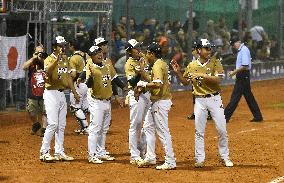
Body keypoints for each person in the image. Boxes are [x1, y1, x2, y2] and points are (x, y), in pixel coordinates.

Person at [171, 38, 233, 168]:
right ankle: (199, 159)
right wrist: (178, 73)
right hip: (199, 100)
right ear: (199, 50)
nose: (209, 50)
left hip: (215, 99)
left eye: (210, 48)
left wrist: (203, 76)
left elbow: (218, 80)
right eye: (207, 48)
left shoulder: (215, 62)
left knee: (222, 129)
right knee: (199, 131)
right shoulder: (192, 65)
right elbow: (185, 82)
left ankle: (225, 157)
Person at [39, 36, 80, 162]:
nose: (63, 47)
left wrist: (74, 92)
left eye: (64, 45)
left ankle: (59, 151)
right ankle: (44, 151)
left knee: (61, 125)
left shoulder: (65, 58)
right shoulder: (49, 59)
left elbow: (68, 77)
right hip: (51, 93)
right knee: (53, 123)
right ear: (54, 47)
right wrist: (56, 61)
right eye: (60, 45)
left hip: (62, 93)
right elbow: (48, 74)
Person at [137, 42, 176, 170]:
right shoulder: (161, 63)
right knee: (148, 127)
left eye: (147, 52)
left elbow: (157, 84)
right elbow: (154, 80)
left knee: (163, 132)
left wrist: (143, 84)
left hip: (160, 102)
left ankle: (170, 161)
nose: (146, 55)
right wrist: (143, 72)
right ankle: (150, 157)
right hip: (158, 101)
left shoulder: (157, 66)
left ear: (152, 54)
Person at [86, 45, 122, 164]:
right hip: (97, 102)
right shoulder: (91, 68)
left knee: (104, 129)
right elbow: (88, 85)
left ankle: (100, 152)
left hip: (107, 101)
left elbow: (114, 80)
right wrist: (91, 76)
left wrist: (124, 88)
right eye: (96, 53)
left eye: (100, 52)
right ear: (92, 56)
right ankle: (92, 155)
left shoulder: (106, 66)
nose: (100, 54)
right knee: (95, 129)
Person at [124, 39, 151, 165]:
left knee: (148, 124)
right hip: (136, 95)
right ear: (129, 51)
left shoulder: (144, 57)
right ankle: (134, 155)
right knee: (136, 124)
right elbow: (132, 82)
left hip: (148, 93)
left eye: (139, 46)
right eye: (136, 48)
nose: (139, 49)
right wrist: (140, 72)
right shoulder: (129, 63)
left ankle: (143, 150)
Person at [224, 36, 263, 123]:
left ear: (238, 42)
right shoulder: (242, 50)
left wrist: (234, 72)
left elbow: (245, 65)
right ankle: (258, 116)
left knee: (235, 96)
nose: (233, 46)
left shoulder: (244, 50)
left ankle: (225, 116)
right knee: (249, 96)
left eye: (233, 44)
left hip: (243, 75)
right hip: (243, 75)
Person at [22, 45, 48, 137]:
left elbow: (48, 66)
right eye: (37, 52)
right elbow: (24, 67)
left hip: (45, 91)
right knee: (31, 111)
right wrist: (33, 58)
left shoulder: (46, 60)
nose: (39, 55)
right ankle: (36, 124)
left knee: (45, 111)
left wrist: (41, 59)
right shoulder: (31, 62)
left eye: (41, 52)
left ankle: (44, 128)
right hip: (33, 90)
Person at [69, 39, 89, 135]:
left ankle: (85, 127)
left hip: (78, 84)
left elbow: (73, 74)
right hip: (86, 84)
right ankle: (84, 127)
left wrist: (67, 78)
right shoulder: (84, 55)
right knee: (84, 107)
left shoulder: (73, 58)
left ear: (72, 46)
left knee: (76, 107)